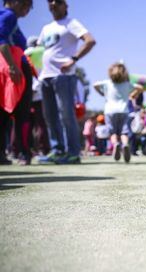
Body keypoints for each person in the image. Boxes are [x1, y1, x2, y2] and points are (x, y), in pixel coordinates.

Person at [37, 0, 96, 164]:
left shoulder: (71, 23)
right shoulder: (46, 28)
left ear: (66, 6)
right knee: (50, 116)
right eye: (50, 1)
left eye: (58, 1)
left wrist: (73, 59)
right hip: (45, 77)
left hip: (63, 77)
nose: (53, 4)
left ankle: (73, 152)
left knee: (66, 115)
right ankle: (57, 150)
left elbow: (90, 40)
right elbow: (40, 50)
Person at [0, 0, 33, 165]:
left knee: (4, 112)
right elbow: (2, 40)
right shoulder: (8, 15)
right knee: (22, 113)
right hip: (15, 68)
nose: (27, 9)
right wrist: (13, 66)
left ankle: (4, 153)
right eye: (26, 4)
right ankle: (24, 153)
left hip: (6, 68)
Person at [94, 62, 143, 163]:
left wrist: (102, 93)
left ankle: (116, 144)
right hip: (124, 111)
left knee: (113, 133)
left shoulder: (107, 83)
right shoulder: (127, 85)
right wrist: (133, 95)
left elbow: (95, 85)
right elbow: (140, 88)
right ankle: (125, 144)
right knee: (124, 132)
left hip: (109, 111)